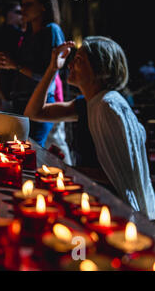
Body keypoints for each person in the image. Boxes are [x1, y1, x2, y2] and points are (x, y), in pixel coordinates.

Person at [24, 37, 155, 219]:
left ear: (101, 70)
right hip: (92, 198)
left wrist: (65, 168)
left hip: (113, 210)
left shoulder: (108, 107)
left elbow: (117, 175)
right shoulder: (88, 104)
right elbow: (34, 112)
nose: (70, 65)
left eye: (79, 61)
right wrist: (53, 68)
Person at [0, 0, 65, 147]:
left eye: (29, 4)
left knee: (30, 151)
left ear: (43, 6)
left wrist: (15, 65)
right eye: (22, 4)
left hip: (40, 104)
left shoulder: (51, 31)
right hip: (20, 103)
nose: (23, 9)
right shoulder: (27, 34)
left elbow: (47, 73)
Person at [0, 1, 24, 110]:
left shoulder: (5, 32)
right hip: (11, 83)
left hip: (10, 83)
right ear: (9, 14)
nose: (22, 14)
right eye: (18, 12)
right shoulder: (11, 33)